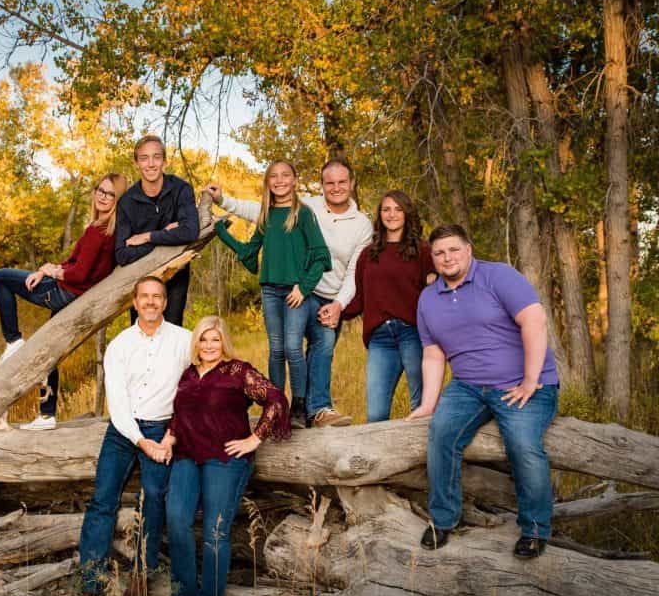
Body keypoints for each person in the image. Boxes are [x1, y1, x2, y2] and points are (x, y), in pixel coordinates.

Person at [408, 224, 560, 559]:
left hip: (523, 383)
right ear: (431, 258)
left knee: (522, 444)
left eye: (453, 250)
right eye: (439, 253)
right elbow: (434, 353)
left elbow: (534, 321)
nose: (447, 257)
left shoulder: (499, 276)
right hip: (467, 386)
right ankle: (444, 520)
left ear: (468, 249)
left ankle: (535, 529)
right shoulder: (428, 298)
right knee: (441, 435)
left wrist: (530, 380)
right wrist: (429, 403)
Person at [208, 158, 372, 427]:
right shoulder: (306, 205)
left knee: (315, 346)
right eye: (330, 182)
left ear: (352, 184)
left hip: (318, 293)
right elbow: (255, 224)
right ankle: (278, 406)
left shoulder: (355, 223)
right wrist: (222, 205)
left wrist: (335, 302)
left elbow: (350, 269)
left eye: (342, 182)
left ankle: (311, 409)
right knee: (279, 349)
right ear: (321, 185)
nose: (336, 187)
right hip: (284, 290)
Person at [164, 316, 290, 596]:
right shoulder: (189, 374)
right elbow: (181, 415)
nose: (209, 346)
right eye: (203, 340)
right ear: (196, 343)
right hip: (187, 455)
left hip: (225, 458)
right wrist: (169, 436)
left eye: (215, 340)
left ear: (224, 343)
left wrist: (254, 438)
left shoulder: (239, 371)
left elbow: (275, 398)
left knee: (214, 529)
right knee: (177, 519)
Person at [78, 276, 192, 596]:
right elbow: (118, 403)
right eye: (145, 296)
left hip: (163, 428)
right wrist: (142, 441)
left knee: (155, 497)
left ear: (166, 302)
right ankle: (92, 582)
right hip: (123, 429)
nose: (151, 302)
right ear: (135, 302)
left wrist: (171, 435)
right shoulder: (121, 344)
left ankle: (142, 577)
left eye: (157, 297)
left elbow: (195, 389)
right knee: (103, 500)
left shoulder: (184, 341)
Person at [0, 173, 128, 430]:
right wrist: (45, 269)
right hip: (73, 295)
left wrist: (51, 272)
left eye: (110, 194)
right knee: (49, 354)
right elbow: (73, 264)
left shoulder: (98, 232)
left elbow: (78, 273)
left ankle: (12, 340)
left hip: (64, 293)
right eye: (100, 189)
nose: (102, 195)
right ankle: (46, 415)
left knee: (1, 277)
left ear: (117, 200)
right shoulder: (105, 229)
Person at [344, 190, 435, 422]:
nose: (392, 214)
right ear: (379, 215)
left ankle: (426, 458)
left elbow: (435, 294)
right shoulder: (368, 254)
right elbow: (360, 299)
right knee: (375, 414)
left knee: (421, 405)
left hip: (413, 332)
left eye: (398, 209)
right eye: (386, 209)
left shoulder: (423, 251)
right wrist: (334, 310)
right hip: (380, 338)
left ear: (407, 214)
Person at [114, 135, 200, 326]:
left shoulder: (181, 189)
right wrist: (166, 235)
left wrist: (147, 237)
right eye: (144, 158)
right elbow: (122, 254)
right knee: (141, 335)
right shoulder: (127, 202)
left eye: (156, 157)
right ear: (136, 163)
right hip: (141, 278)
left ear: (164, 161)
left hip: (175, 273)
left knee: (172, 332)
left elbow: (190, 232)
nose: (151, 164)